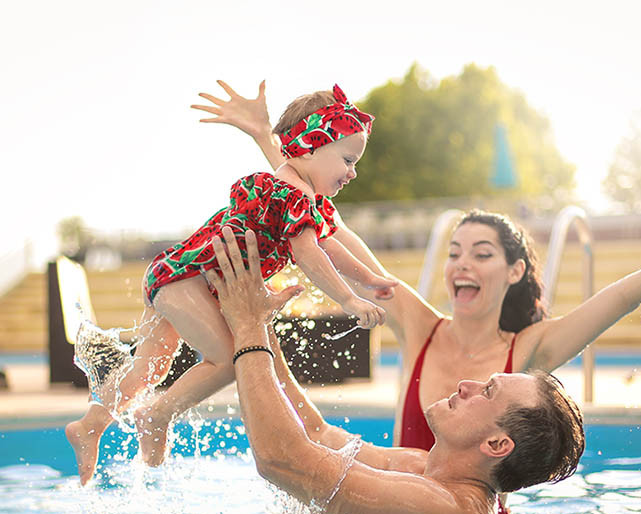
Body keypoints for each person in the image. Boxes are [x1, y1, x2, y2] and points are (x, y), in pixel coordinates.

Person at [196, 79, 641, 514]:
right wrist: (273, 141)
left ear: (515, 271)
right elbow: (324, 224)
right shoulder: (421, 331)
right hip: (395, 507)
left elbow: (626, 293)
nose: (461, 265)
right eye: (454, 252)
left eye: (481, 254)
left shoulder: (528, 358)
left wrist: (247, 328)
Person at [67, 84, 397, 484]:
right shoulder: (290, 194)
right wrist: (347, 299)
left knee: (151, 366)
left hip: (175, 275)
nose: (353, 172)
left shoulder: (301, 197)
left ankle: (90, 424)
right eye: (347, 159)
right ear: (310, 147)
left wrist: (371, 279)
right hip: (188, 280)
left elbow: (329, 244)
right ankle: (156, 416)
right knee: (228, 361)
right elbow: (311, 255)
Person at [205, 227, 585, 514]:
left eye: (487, 391)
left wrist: (248, 327)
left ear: (497, 443)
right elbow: (316, 435)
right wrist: (259, 322)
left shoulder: (447, 512)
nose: (467, 385)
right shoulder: (423, 468)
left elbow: (283, 461)